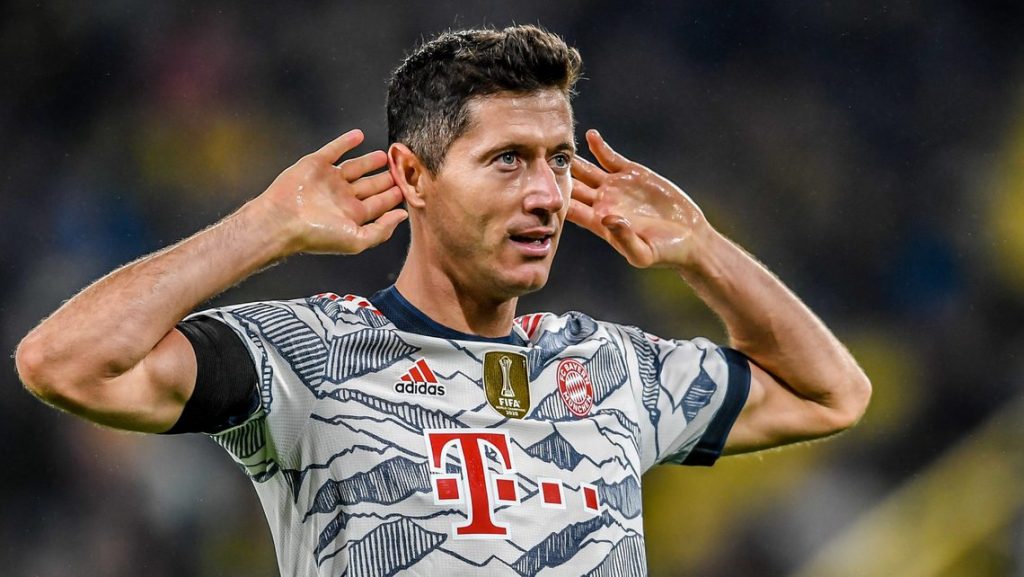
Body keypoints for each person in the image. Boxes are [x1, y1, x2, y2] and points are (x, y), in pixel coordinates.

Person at [15, 25, 871, 576]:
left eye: (560, 159)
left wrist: (703, 250)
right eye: (508, 160)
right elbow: (65, 360)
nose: (546, 193)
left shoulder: (611, 368)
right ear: (413, 177)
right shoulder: (306, 358)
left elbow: (833, 391)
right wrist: (261, 227)